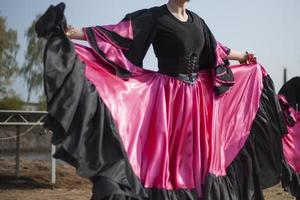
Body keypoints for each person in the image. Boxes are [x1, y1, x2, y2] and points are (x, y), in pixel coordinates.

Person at [36, 1, 286, 199]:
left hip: (197, 101)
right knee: (169, 160)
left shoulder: (198, 21)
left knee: (198, 160)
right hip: (167, 99)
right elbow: (117, 35)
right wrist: (72, 32)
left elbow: (217, 49)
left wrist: (243, 56)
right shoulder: (156, 17)